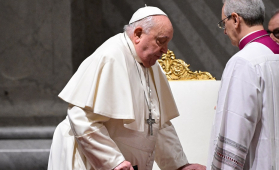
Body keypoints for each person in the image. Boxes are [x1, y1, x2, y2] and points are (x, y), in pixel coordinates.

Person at [47, 5, 205, 170]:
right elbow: (81, 118)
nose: (165, 50)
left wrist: (179, 166)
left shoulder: (151, 65)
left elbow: (159, 124)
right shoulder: (111, 57)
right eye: (161, 41)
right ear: (137, 34)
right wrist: (113, 162)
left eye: (167, 43)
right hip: (92, 162)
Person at [207, 0, 279, 169]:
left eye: (224, 23)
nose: (225, 32)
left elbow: (234, 132)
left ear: (235, 19)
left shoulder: (243, 62)